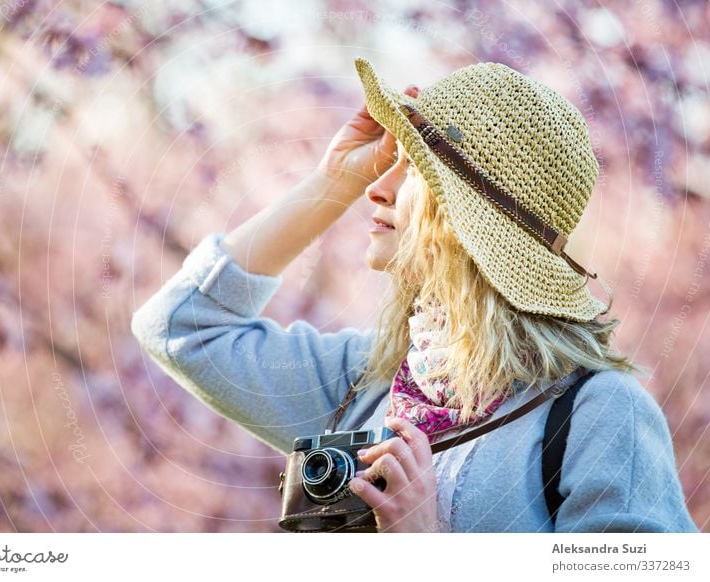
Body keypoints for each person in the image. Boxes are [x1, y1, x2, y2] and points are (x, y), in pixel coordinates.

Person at [131, 57, 698, 533]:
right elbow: (182, 325)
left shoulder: (599, 413)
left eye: (410, 170)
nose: (375, 188)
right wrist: (334, 181)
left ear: (460, 219)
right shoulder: (365, 381)